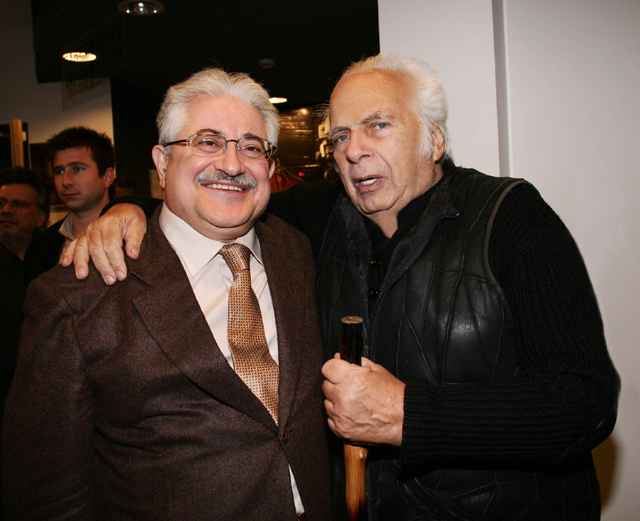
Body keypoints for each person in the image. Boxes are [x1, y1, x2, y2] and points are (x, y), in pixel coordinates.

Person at [64, 53, 620, 521]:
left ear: (434, 138)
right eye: (341, 136)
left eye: (378, 125)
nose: (354, 150)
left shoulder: (509, 217)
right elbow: (220, 195)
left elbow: (585, 401)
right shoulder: (321, 218)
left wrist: (410, 415)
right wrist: (127, 212)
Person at [3, 68, 330, 520]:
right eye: (207, 142)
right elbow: (46, 493)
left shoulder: (299, 251)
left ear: (271, 168)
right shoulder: (76, 296)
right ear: (161, 162)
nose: (232, 164)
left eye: (252, 147)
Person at [0, 167, 49, 521]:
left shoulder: (51, 269)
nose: (6, 210)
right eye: (2, 203)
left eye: (18, 204)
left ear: (40, 218)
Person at [22, 126, 115, 284]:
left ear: (107, 177)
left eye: (77, 169)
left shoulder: (135, 232)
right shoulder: (40, 246)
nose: (65, 181)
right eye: (59, 171)